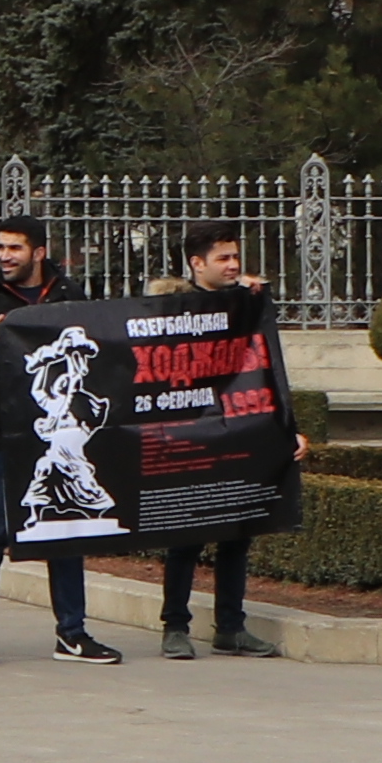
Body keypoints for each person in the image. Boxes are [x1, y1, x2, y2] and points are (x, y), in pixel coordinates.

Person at [0, 212, 112, 665]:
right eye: (1, 247)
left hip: (58, 432)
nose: (4, 256)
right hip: (3, 435)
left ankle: (72, 634)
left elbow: (102, 347)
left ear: (38, 252)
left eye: (14, 248)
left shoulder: (68, 296)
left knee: (67, 529)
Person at [146, 224, 308, 660]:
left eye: (235, 256)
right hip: (189, 434)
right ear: (197, 264)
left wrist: (288, 428)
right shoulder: (171, 310)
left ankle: (231, 627)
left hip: (240, 431)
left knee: (238, 532)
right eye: (223, 258)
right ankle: (174, 627)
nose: (233, 265)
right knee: (186, 534)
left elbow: (268, 369)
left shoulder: (249, 305)